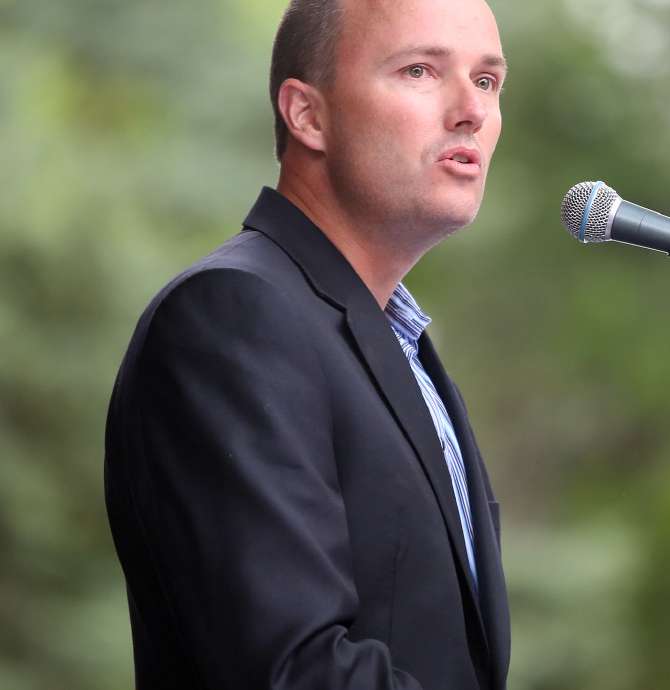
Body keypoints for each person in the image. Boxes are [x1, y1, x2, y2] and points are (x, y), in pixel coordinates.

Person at [103, 0, 509, 687]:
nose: (470, 109)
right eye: (420, 70)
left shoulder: (401, 347)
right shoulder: (232, 317)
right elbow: (289, 668)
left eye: (488, 81)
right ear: (307, 114)